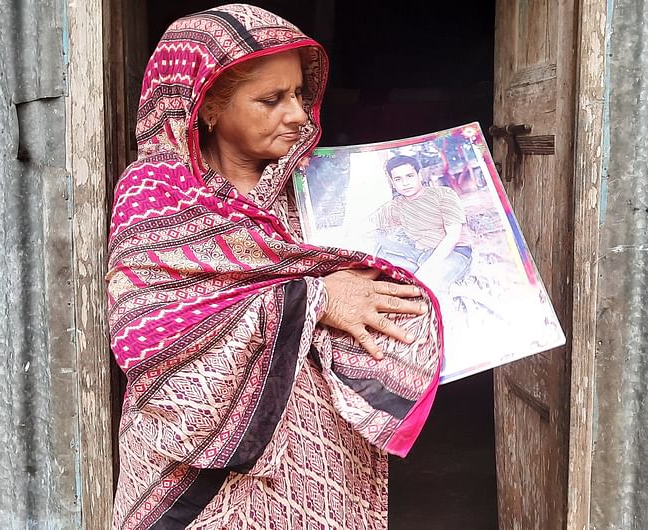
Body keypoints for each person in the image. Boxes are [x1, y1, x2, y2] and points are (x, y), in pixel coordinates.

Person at [105, 5, 443, 529]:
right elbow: (148, 332)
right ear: (208, 106)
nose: (300, 116)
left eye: (299, 95)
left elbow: (380, 281)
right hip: (191, 463)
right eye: (272, 99)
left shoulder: (320, 190)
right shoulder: (156, 195)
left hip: (319, 455)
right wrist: (317, 297)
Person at [370, 154, 473, 297]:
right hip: (418, 255)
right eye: (398, 179)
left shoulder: (443, 194)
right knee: (371, 245)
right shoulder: (396, 206)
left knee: (429, 289)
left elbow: (453, 237)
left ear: (419, 175)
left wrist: (425, 270)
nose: (405, 183)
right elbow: (369, 226)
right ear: (393, 183)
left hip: (454, 253)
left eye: (409, 176)